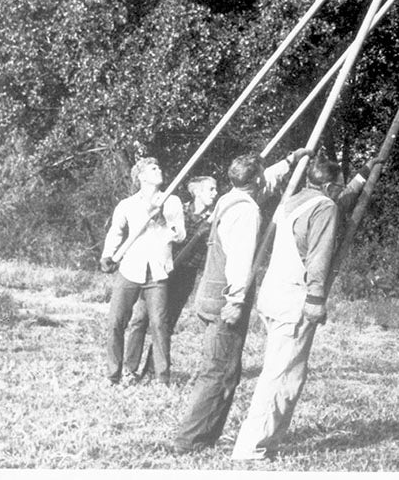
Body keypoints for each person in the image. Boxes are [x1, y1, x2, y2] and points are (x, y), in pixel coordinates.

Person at [173, 147, 310, 454]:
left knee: (220, 369)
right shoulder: (246, 212)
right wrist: (235, 300)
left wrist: (290, 160)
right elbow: (240, 259)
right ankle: (192, 440)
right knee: (220, 372)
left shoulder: (229, 198)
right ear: (255, 179)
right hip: (226, 299)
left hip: (208, 294)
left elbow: (266, 182)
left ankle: (200, 436)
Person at [230, 156, 366, 463]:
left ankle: (263, 441)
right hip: (295, 300)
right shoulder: (324, 207)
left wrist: (363, 176)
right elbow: (318, 256)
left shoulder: (294, 199)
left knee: (281, 371)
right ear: (330, 185)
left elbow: (337, 204)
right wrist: (316, 300)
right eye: (339, 186)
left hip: (273, 296)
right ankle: (252, 448)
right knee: (282, 376)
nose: (339, 193)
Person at [100, 157, 186, 385]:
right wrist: (107, 255)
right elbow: (115, 232)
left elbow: (181, 235)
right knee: (116, 322)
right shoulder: (127, 204)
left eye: (159, 166)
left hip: (158, 272)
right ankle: (113, 374)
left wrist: (162, 222)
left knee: (159, 324)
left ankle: (162, 378)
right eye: (153, 168)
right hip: (130, 269)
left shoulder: (172, 202)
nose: (159, 170)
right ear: (141, 177)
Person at [125, 174, 218, 379]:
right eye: (210, 189)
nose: (215, 193)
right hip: (161, 268)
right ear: (197, 192)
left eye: (215, 189)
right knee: (140, 318)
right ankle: (129, 369)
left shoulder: (214, 219)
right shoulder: (178, 208)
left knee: (165, 323)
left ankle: (152, 370)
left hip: (185, 274)